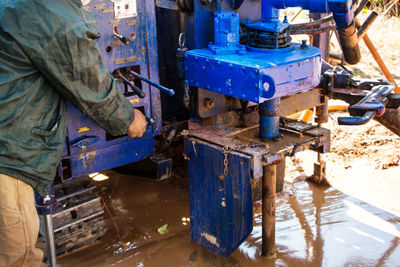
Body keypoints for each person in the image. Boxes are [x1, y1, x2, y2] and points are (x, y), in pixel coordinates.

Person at [0, 0, 147, 266]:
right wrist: (129, 118)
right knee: (18, 257)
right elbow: (89, 83)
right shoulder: (51, 11)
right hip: (9, 155)